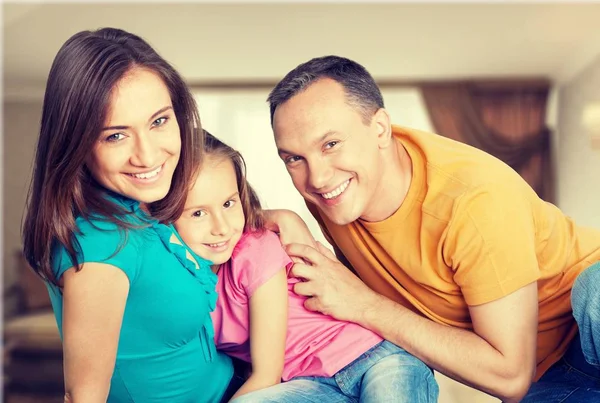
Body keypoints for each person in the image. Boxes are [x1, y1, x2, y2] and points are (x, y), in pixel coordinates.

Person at [265, 55, 600, 402]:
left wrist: (363, 304)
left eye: (330, 144)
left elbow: (509, 375)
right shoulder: (333, 194)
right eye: (293, 158)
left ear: (380, 129)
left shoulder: (474, 200)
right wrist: (286, 220)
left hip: (588, 324)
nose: (317, 177)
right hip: (552, 378)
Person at [21, 28, 237, 402]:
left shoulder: (140, 204)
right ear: (76, 144)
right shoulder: (101, 245)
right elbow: (85, 395)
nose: (148, 155)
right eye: (115, 136)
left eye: (159, 122)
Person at [173, 132, 439, 402]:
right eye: (198, 213)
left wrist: (280, 216)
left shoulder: (253, 250)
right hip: (310, 385)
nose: (222, 228)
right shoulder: (172, 285)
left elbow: (267, 374)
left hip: (376, 357)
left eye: (229, 204)